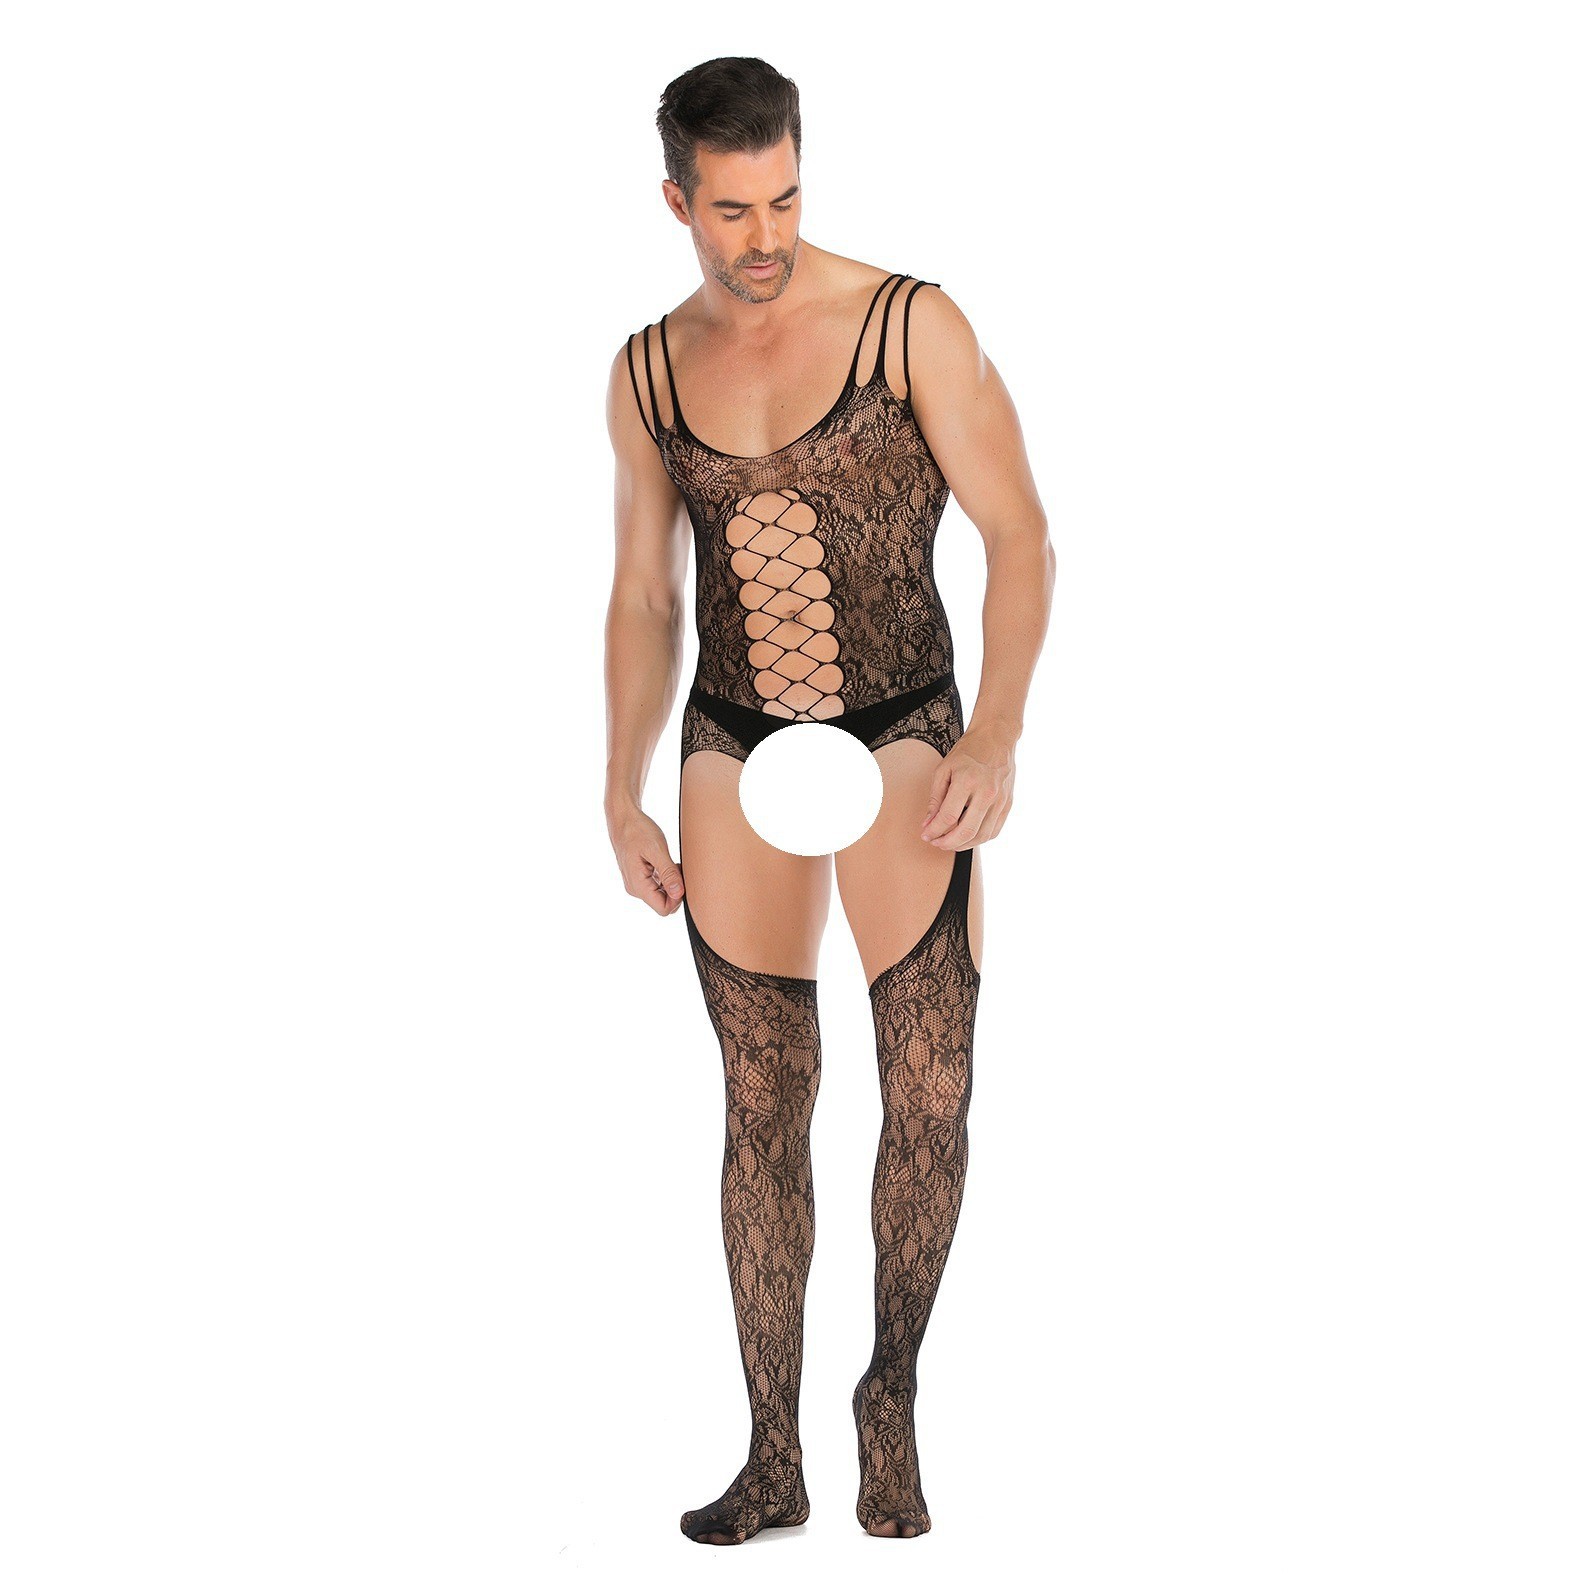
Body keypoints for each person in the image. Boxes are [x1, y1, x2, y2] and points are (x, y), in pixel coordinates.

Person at [603, 56, 1055, 1544]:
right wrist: (620, 789)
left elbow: (1019, 534)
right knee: (762, 1102)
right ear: (677, 200)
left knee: (930, 1082)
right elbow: (643, 598)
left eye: (786, 198)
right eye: (733, 209)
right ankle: (770, 1454)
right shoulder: (648, 372)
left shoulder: (908, 324)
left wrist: (996, 736)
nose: (766, 235)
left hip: (906, 725)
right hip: (735, 742)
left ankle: (891, 1395)